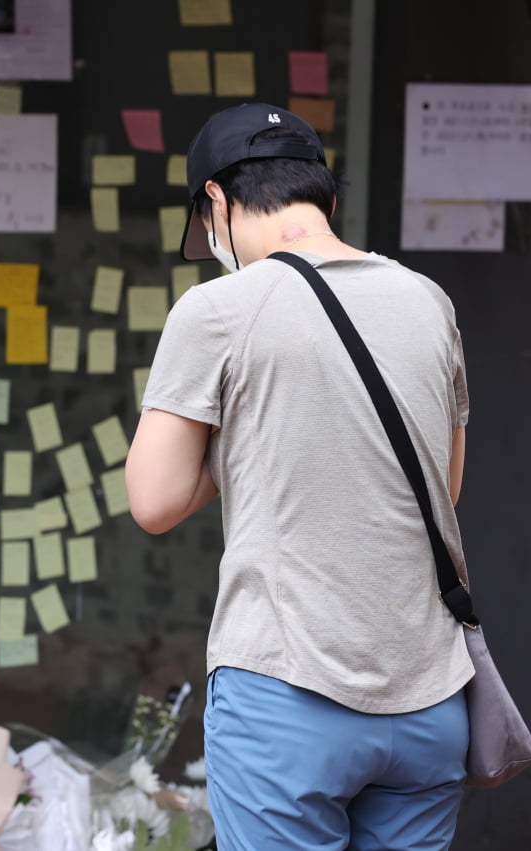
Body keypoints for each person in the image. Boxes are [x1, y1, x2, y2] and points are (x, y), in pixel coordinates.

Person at [125, 103, 474, 850]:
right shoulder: (427, 300)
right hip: (430, 697)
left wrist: (245, 437)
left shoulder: (216, 309)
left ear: (215, 202)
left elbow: (152, 502)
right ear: (327, 197)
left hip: (286, 694)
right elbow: (443, 492)